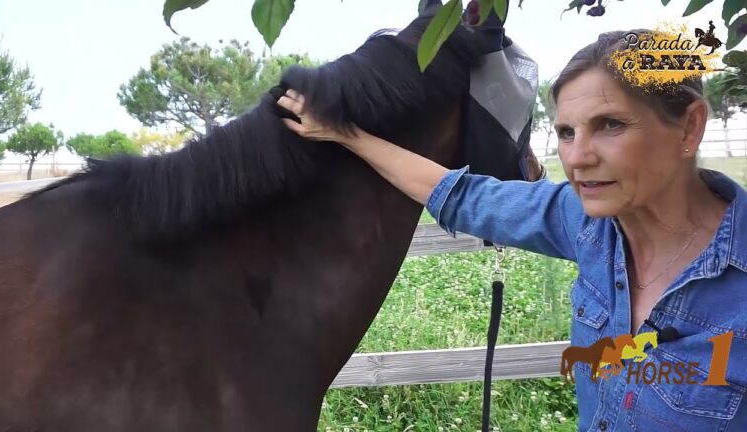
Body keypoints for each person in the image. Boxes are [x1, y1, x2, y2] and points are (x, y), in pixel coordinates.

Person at [277, 30, 747, 431]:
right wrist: (345, 134)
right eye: (566, 133)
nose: (578, 158)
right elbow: (459, 196)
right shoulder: (583, 221)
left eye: (610, 124)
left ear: (690, 128)